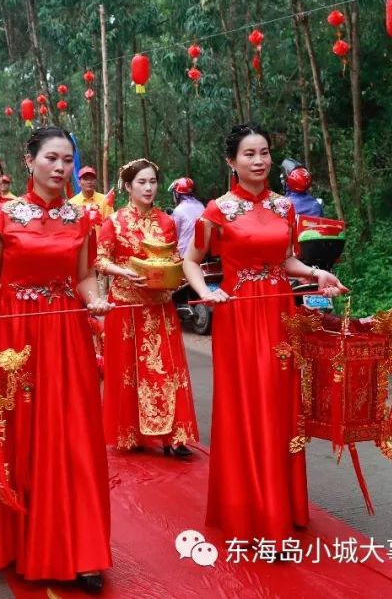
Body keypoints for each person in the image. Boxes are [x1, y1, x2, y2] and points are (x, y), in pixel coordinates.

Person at [182, 123, 346, 550]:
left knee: (280, 403)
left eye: (265, 152)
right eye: (249, 154)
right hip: (238, 316)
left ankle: (282, 506)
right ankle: (247, 509)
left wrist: (316, 272)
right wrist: (205, 292)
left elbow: (287, 259)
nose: (259, 161)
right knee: (247, 405)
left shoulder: (284, 208)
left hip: (278, 313)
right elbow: (192, 261)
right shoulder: (217, 210)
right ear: (231, 162)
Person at [0, 126, 113, 593]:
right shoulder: (2, 217)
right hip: (16, 333)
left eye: (67, 160)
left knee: (75, 434)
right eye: (51, 158)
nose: (60, 168)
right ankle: (21, 542)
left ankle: (85, 552)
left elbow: (85, 275)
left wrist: (94, 300)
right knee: (23, 432)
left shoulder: (82, 218)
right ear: (29, 162)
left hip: (66, 334)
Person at [96, 159, 198, 457]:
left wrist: (174, 276)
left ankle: (174, 437)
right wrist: (122, 271)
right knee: (128, 372)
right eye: (142, 182)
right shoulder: (113, 222)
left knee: (166, 370)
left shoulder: (166, 222)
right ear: (128, 186)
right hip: (126, 308)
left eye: (153, 181)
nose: (149, 187)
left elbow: (174, 259)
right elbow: (99, 259)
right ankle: (132, 433)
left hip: (159, 307)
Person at [168, 176, 205, 256]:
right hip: (201, 253)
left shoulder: (179, 210)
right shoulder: (201, 206)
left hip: (184, 253)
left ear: (177, 194)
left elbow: (174, 235)